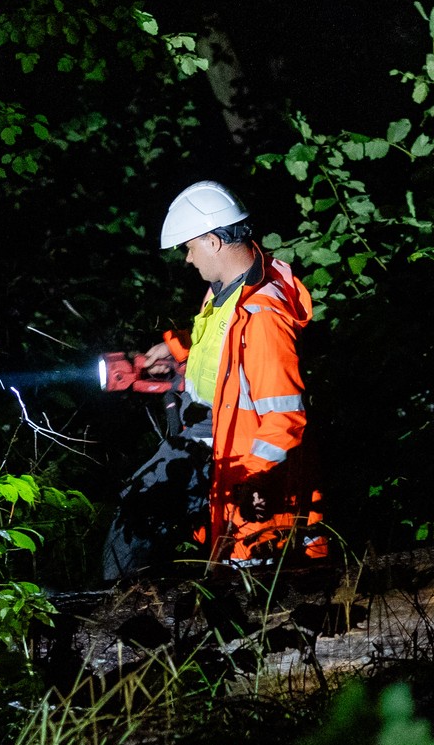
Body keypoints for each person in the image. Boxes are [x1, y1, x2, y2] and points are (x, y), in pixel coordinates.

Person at [102, 181, 325, 579]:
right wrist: (177, 351)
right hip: (208, 438)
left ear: (213, 240)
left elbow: (285, 418)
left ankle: (120, 621)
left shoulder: (264, 318)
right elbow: (225, 349)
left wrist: (254, 477)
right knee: (141, 519)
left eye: (190, 246)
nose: (187, 258)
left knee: (229, 568)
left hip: (232, 452)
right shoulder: (224, 292)